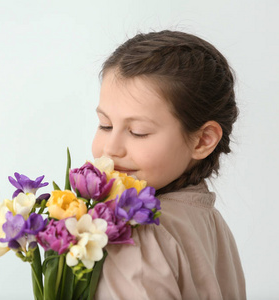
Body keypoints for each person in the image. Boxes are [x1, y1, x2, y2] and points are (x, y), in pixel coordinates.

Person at [92, 30, 246, 299]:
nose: (110, 148)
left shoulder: (136, 232)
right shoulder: (211, 222)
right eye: (105, 125)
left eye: (138, 131)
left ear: (203, 141)